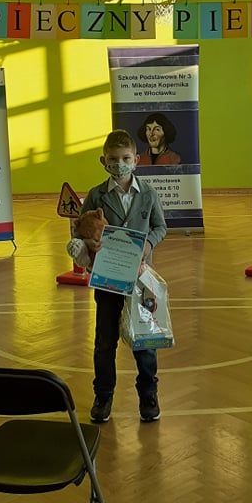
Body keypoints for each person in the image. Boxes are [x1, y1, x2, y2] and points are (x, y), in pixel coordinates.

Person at [76, 129, 167, 424]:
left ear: (136, 160)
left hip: (141, 281)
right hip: (107, 280)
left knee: (145, 342)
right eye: (113, 159)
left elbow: (160, 227)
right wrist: (89, 243)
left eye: (126, 158)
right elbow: (80, 230)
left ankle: (148, 394)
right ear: (103, 161)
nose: (120, 164)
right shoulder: (96, 195)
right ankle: (103, 395)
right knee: (105, 342)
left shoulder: (148, 194)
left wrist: (148, 245)